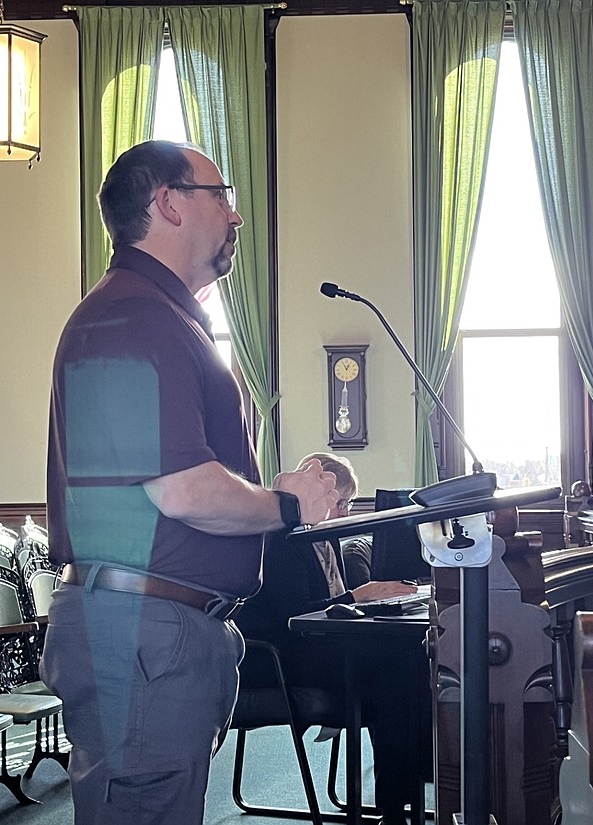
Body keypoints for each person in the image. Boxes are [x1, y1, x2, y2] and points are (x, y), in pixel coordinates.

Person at [41, 140, 338, 825]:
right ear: (167, 203)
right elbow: (181, 490)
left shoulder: (159, 316)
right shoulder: (135, 316)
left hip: (159, 631)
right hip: (145, 634)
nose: (235, 216)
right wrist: (287, 502)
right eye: (221, 195)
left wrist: (277, 493)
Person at [237, 452, 431, 825]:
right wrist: (360, 595)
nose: (343, 513)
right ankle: (396, 804)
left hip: (318, 646)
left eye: (346, 504)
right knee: (390, 674)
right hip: (279, 656)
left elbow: (330, 605)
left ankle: (409, 792)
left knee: (411, 657)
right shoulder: (280, 539)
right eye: (339, 502)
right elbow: (298, 613)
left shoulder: (324, 537)